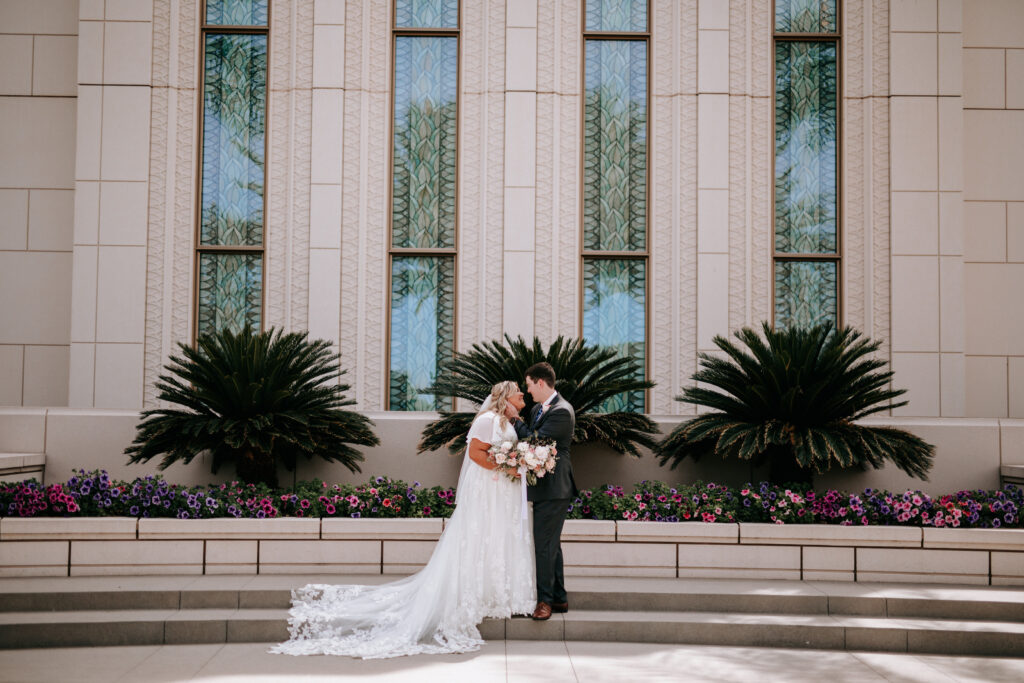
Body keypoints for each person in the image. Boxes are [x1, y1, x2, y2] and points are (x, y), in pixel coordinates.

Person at [270, 381, 535, 659]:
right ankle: (474, 596)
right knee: (480, 537)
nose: (522, 395)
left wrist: (514, 466)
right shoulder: (488, 420)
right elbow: (475, 453)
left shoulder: (509, 423)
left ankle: (494, 596)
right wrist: (508, 466)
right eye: (518, 391)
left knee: (495, 538)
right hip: (487, 489)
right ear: (506, 397)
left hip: (501, 489)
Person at [522, 361, 577, 621]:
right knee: (550, 544)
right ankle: (559, 598)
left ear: (541, 383)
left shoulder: (562, 411)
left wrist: (512, 420)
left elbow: (536, 442)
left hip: (555, 488)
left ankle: (544, 602)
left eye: (530, 385)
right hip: (545, 488)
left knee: (543, 545)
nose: (529, 391)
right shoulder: (537, 409)